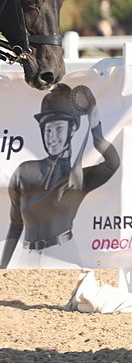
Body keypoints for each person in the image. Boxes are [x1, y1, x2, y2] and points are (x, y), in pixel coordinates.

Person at [2, 84, 120, 268]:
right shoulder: (23, 172)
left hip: (64, 255)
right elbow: (16, 223)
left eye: (58, 128)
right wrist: (2, 267)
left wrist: (95, 123)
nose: (52, 137)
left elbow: (112, 163)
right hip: (27, 258)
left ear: (72, 129)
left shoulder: (80, 178)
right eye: (47, 130)